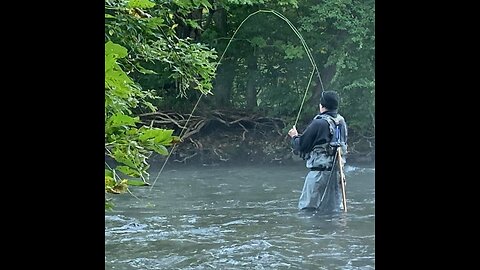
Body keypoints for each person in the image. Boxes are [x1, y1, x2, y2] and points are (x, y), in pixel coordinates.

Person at [288, 91, 348, 213]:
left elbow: (302, 146)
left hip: (319, 175)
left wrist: (294, 136)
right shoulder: (342, 122)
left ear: (322, 105)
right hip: (337, 174)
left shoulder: (319, 123)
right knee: (333, 211)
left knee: (308, 210)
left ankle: (315, 232)